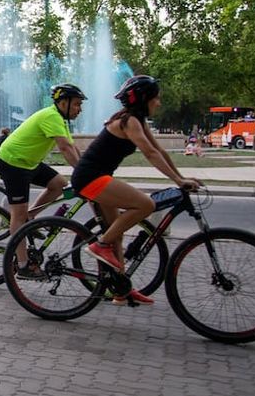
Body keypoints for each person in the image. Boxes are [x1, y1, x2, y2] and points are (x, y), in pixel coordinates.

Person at [71, 75, 201, 305]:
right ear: (143, 99)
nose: (159, 103)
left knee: (117, 235)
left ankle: (121, 290)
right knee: (145, 205)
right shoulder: (129, 121)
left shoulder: (137, 120)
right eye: (155, 98)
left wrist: (181, 178)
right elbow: (149, 154)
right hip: (90, 178)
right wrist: (177, 180)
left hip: (98, 177)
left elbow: (159, 151)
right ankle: (100, 245)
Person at [0, 83, 85, 279]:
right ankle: (23, 265)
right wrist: (83, 174)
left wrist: (87, 169)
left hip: (29, 163)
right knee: (18, 214)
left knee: (59, 185)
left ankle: (30, 217)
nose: (80, 109)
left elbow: (72, 147)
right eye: (77, 104)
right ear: (63, 103)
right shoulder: (51, 116)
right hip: (12, 162)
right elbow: (64, 148)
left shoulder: (60, 119)